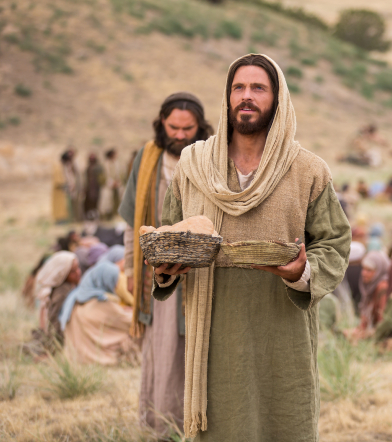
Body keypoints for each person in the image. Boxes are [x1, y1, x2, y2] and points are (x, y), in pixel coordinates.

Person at [151, 54, 351, 440]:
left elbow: (335, 243)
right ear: (227, 98)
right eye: (238, 88)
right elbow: (169, 234)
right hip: (215, 333)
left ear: (278, 98)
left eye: (258, 88)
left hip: (282, 334)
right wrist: (165, 268)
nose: (247, 96)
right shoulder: (192, 166)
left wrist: (302, 272)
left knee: (283, 424)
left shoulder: (308, 170)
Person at [118, 91, 214, 436]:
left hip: (205, 269)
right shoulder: (147, 158)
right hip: (157, 270)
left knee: (202, 345)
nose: (180, 134)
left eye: (188, 128)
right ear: (162, 123)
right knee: (164, 347)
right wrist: (131, 269)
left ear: (199, 127)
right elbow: (133, 221)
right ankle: (163, 424)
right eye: (173, 127)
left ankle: (202, 425)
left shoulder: (214, 156)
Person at [59, 256, 134, 365]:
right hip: (99, 356)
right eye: (113, 281)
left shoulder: (77, 299)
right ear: (105, 281)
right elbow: (130, 322)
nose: (115, 285)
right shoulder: (102, 304)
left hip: (77, 356)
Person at [33, 251, 81, 349]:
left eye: (78, 268)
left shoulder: (70, 286)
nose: (78, 272)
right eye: (73, 271)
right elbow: (54, 321)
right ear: (62, 273)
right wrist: (56, 345)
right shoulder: (62, 292)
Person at [355, 251, 391, 337]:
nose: (363, 273)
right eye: (363, 268)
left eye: (369, 270)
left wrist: (364, 335)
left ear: (379, 271)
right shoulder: (370, 286)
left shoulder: (382, 288)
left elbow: (382, 322)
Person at [52, 149, 82, 223]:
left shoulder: (63, 166)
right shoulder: (58, 166)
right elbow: (58, 181)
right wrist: (66, 185)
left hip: (64, 191)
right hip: (58, 191)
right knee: (59, 206)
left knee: (64, 207)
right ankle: (59, 221)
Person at [99, 148, 125, 220]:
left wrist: (118, 181)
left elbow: (121, 174)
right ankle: (106, 217)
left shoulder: (118, 164)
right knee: (106, 202)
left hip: (117, 185)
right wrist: (110, 182)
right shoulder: (104, 164)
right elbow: (102, 176)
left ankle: (117, 215)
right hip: (107, 186)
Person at [83, 153, 106, 220]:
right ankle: (91, 216)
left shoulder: (98, 167)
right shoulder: (88, 168)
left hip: (96, 188)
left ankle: (96, 216)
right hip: (89, 189)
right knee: (90, 203)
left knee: (96, 202)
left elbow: (101, 178)